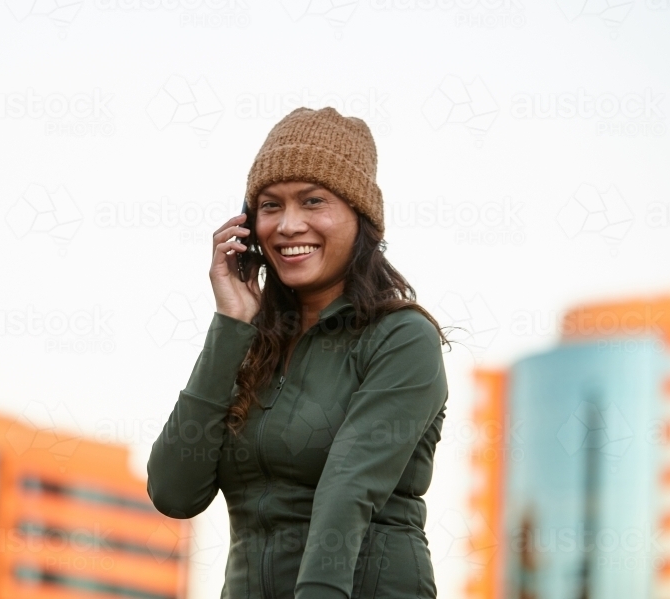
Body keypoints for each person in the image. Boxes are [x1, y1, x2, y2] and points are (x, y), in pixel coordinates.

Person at [147, 106, 450, 599]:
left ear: (360, 215)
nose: (288, 225)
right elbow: (173, 492)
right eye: (270, 206)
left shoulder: (401, 338)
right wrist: (230, 327)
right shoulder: (250, 347)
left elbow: (347, 488)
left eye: (313, 201)